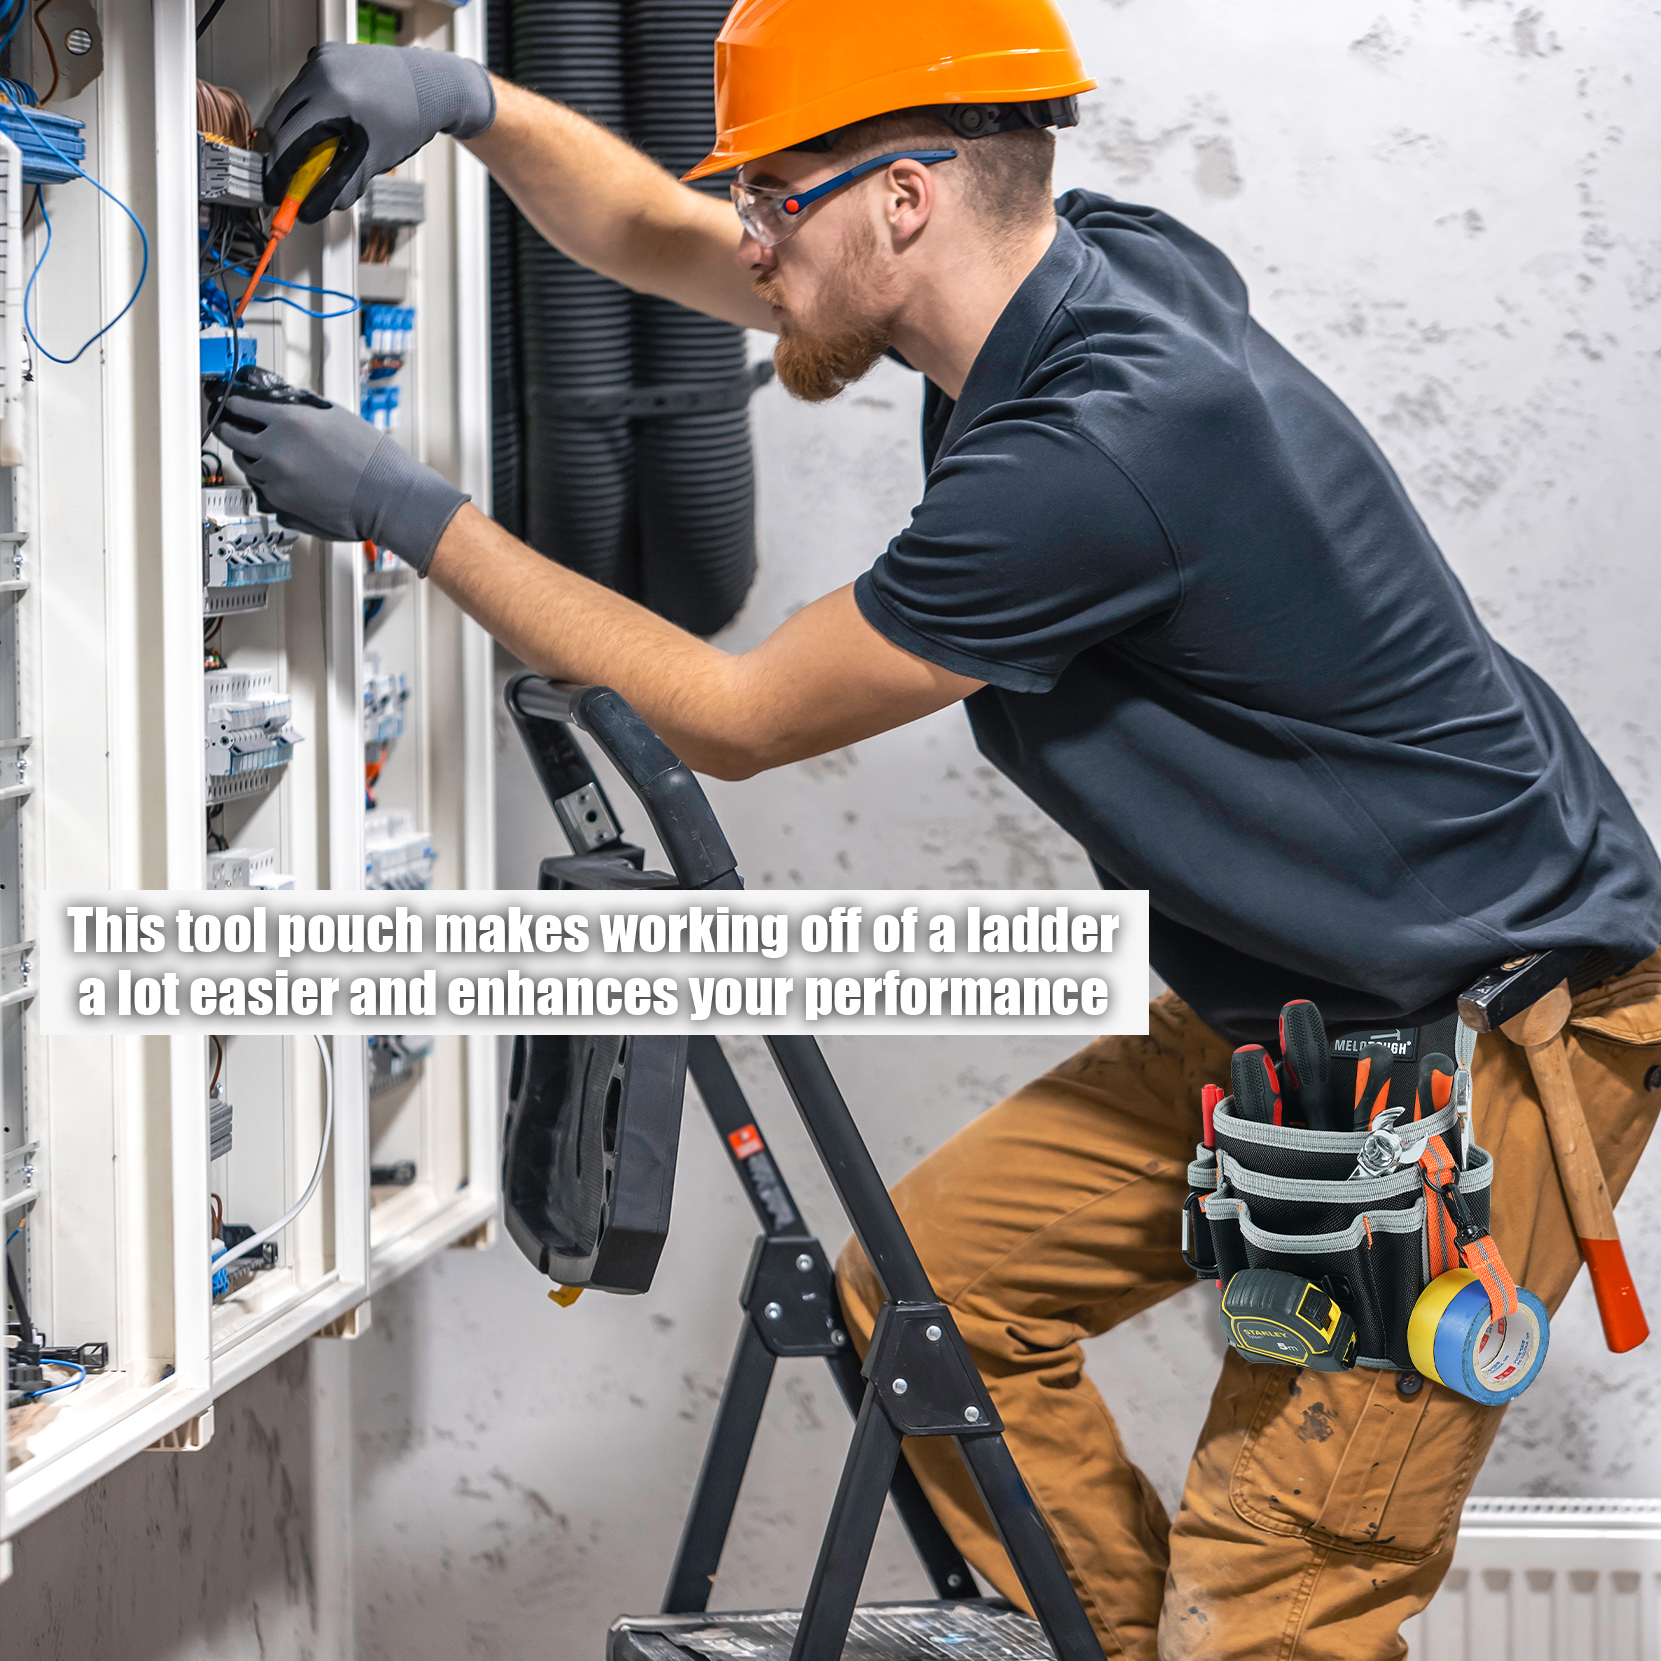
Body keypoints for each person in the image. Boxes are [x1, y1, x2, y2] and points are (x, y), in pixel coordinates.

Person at [222, 3, 1661, 1655]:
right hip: (1292, 998)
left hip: (1485, 1032)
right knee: (937, 1305)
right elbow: (669, 239)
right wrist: (469, 101)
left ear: (903, 198)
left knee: (1272, 1601)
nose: (748, 240)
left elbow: (740, 714)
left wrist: (411, 511)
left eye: (774, 197)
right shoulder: (1059, 274)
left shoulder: (1100, 444)